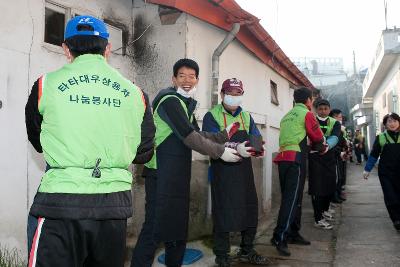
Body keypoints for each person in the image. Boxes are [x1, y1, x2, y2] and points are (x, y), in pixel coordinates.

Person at [25, 15, 155, 267]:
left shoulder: (45, 85)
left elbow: (38, 139)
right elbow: (144, 153)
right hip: (114, 207)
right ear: (107, 49)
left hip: (60, 204)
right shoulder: (135, 93)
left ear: (66, 49)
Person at [131, 59, 241, 267]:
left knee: (177, 229)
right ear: (174, 79)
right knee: (154, 229)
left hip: (176, 176)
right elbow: (189, 136)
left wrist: (222, 135)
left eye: (192, 76)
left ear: (197, 80)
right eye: (182, 76)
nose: (187, 80)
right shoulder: (169, 100)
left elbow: (198, 133)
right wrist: (220, 152)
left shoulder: (183, 104)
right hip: (161, 174)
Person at [202, 78, 268, 267]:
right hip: (221, 170)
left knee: (250, 207)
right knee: (223, 210)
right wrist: (233, 146)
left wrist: (257, 148)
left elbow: (255, 136)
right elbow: (209, 141)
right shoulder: (212, 116)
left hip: (244, 171)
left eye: (238, 94)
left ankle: (247, 249)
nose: (233, 97)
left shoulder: (246, 116)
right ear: (222, 95)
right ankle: (221, 255)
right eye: (230, 94)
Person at [271, 87, 326, 257]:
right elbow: (317, 136)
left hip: (283, 159)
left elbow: (294, 137)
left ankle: (293, 233)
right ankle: (279, 237)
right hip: (296, 159)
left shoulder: (287, 116)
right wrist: (322, 145)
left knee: (295, 198)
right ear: (309, 100)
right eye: (312, 101)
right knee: (291, 199)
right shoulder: (306, 114)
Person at [363, 113, 400, 231]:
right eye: (389, 121)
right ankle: (396, 220)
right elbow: (374, 154)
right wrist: (367, 169)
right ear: (385, 124)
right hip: (386, 173)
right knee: (390, 196)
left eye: (395, 121)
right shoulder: (381, 138)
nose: (392, 124)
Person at [308, 100, 341, 230]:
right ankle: (318, 218)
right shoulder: (311, 120)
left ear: (329, 109)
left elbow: (336, 136)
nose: (323, 111)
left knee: (329, 186)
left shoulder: (335, 123)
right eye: (320, 109)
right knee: (317, 188)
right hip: (314, 157)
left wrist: (326, 146)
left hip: (329, 157)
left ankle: (324, 210)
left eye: (325, 108)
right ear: (316, 109)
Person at [329, 109, 348, 202]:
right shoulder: (331, 128)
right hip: (334, 155)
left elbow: (342, 141)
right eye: (336, 116)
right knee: (336, 177)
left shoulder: (341, 129)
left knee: (340, 176)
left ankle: (338, 193)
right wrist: (339, 152)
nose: (339, 119)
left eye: (340, 117)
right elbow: (333, 143)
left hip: (341, 155)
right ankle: (334, 196)